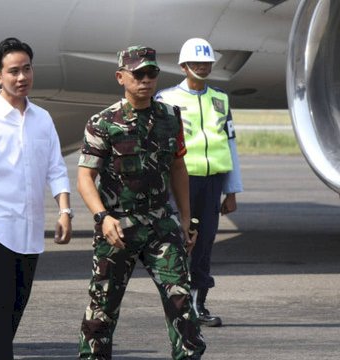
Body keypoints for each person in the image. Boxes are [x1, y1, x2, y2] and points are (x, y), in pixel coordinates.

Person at [76, 46, 206, 360]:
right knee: (103, 307)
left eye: (151, 74)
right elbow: (84, 178)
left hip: (161, 223)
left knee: (180, 300)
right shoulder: (103, 122)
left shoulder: (170, 117)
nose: (145, 80)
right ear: (121, 77)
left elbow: (178, 167)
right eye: (138, 74)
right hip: (118, 227)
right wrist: (102, 217)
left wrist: (187, 219)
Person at [0, 37, 72, 359]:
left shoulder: (42, 119)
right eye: (13, 71)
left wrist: (65, 210)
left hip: (31, 231)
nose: (21, 77)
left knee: (14, 312)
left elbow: (55, 168)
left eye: (26, 69)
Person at [156, 38, 243, 327]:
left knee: (205, 241)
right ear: (183, 66)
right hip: (182, 180)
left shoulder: (221, 98)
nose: (203, 67)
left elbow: (229, 144)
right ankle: (178, 303)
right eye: (196, 63)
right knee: (181, 240)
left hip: (213, 180)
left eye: (206, 63)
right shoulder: (166, 99)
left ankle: (198, 303)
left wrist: (231, 190)